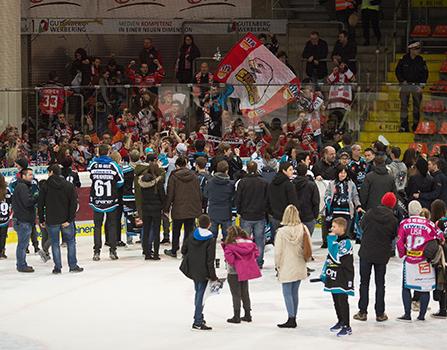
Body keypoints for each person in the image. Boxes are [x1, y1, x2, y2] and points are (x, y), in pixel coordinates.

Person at [354, 192, 398, 322]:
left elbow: (361, 226)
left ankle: (362, 312)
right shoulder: (393, 219)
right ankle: (380, 313)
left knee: (364, 283)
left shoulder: (370, 213)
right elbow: (393, 236)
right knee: (380, 284)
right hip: (382, 255)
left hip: (366, 252)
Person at [397, 200, 443, 322]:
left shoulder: (404, 223)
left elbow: (399, 241)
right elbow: (441, 236)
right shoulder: (430, 224)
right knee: (424, 288)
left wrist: (402, 253)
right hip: (425, 261)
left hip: (410, 260)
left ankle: (407, 315)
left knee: (406, 287)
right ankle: (421, 316)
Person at [38, 164, 82, 274]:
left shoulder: (45, 186)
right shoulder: (68, 185)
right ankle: (73, 266)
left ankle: (57, 267)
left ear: (51, 172)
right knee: (71, 242)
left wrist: (42, 219)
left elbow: (40, 204)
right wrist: (70, 219)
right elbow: (73, 203)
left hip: (52, 220)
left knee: (55, 243)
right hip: (66, 219)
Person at [275, 205, 312, 328]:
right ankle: (293, 317)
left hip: (286, 265)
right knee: (295, 292)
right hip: (299, 263)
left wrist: (277, 265)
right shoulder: (304, 228)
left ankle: (291, 318)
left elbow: (278, 252)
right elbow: (309, 247)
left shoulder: (281, 232)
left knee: (287, 292)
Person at [180, 214, 217, 330]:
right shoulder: (210, 239)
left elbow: (183, 249)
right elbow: (210, 260)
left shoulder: (192, 234)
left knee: (198, 292)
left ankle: (199, 316)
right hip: (203, 271)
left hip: (193, 268)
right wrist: (213, 276)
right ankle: (198, 320)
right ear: (209, 224)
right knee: (200, 295)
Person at [88, 144, 124, 261]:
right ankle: (113, 250)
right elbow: (121, 181)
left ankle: (96, 251)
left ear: (98, 152)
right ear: (108, 152)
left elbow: (90, 173)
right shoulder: (113, 165)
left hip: (97, 200)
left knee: (97, 226)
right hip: (111, 200)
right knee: (112, 225)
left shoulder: (93, 164)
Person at [320, 217, 354, 337]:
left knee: (342, 300)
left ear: (341, 228)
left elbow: (336, 257)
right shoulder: (336, 241)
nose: (332, 229)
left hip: (343, 276)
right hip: (334, 275)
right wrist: (324, 273)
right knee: (335, 299)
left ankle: (347, 326)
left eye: (334, 227)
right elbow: (329, 258)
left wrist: (330, 239)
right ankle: (340, 321)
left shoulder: (346, 242)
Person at [164, 156, 202, 258]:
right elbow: (198, 193)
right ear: (186, 164)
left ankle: (174, 250)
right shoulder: (194, 176)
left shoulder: (174, 176)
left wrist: (166, 208)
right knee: (189, 230)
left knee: (176, 230)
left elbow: (170, 194)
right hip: (191, 208)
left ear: (177, 165)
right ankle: (186, 251)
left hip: (178, 208)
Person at [222, 225, 261, 324]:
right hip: (245, 271)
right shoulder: (249, 243)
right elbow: (256, 254)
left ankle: (236, 316)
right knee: (245, 293)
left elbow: (230, 260)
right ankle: (248, 314)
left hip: (233, 272)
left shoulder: (230, 245)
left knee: (236, 294)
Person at [235, 161, 268, 268]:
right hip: (260, 215)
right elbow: (267, 199)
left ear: (247, 169)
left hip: (246, 216)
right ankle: (258, 262)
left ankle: (245, 261)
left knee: (245, 241)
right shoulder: (263, 182)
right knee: (259, 240)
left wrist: (239, 211)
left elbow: (238, 199)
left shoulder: (242, 182)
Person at [395, 41, 429, 132]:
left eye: (419, 48)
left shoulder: (421, 60)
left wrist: (421, 86)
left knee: (417, 106)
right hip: (405, 85)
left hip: (416, 86)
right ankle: (404, 125)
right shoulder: (403, 59)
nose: (419, 50)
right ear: (411, 49)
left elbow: (425, 73)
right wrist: (402, 81)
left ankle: (416, 125)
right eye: (416, 48)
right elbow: (398, 71)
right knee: (404, 106)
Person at [325, 165, 362, 240]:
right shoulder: (332, 183)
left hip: (347, 212)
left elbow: (355, 196)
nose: (343, 174)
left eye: (345, 173)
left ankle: (344, 250)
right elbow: (327, 195)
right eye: (341, 172)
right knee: (335, 233)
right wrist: (329, 201)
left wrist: (358, 205)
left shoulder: (351, 184)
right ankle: (335, 249)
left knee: (345, 233)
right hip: (335, 212)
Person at [12, 168, 38, 273]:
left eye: (32, 174)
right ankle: (21, 265)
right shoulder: (22, 187)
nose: (32, 176)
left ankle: (22, 264)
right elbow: (27, 202)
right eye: (29, 175)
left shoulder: (22, 186)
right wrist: (37, 197)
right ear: (23, 176)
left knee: (22, 244)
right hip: (23, 220)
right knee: (22, 245)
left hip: (23, 219)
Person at [138, 162, 166, 260]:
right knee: (156, 232)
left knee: (146, 231)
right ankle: (156, 254)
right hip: (156, 210)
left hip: (145, 209)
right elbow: (162, 197)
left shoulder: (142, 182)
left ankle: (147, 253)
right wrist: (164, 207)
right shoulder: (158, 183)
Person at [267, 162, 299, 243]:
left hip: (274, 216)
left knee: (277, 241)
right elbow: (293, 202)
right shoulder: (289, 185)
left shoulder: (272, 183)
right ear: (284, 171)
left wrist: (271, 212)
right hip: (287, 218)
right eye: (290, 170)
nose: (292, 172)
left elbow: (268, 199)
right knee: (287, 242)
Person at [204, 160, 234, 241]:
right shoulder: (231, 184)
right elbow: (233, 197)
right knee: (228, 240)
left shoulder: (210, 182)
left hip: (213, 212)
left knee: (211, 239)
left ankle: (210, 253)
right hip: (226, 213)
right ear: (227, 170)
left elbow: (205, 194)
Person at [430, 199, 447, 318]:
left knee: (442, 281)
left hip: (442, 255)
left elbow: (437, 240)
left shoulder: (436, 223)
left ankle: (442, 309)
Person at [293, 163, 320, 236]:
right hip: (309, 216)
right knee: (307, 241)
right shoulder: (312, 185)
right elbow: (316, 201)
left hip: (295, 216)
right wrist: (315, 216)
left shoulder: (291, 184)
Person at [0, 174, 12, 259]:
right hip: (5, 217)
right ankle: (2, 252)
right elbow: (11, 202)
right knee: (3, 236)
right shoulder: (7, 190)